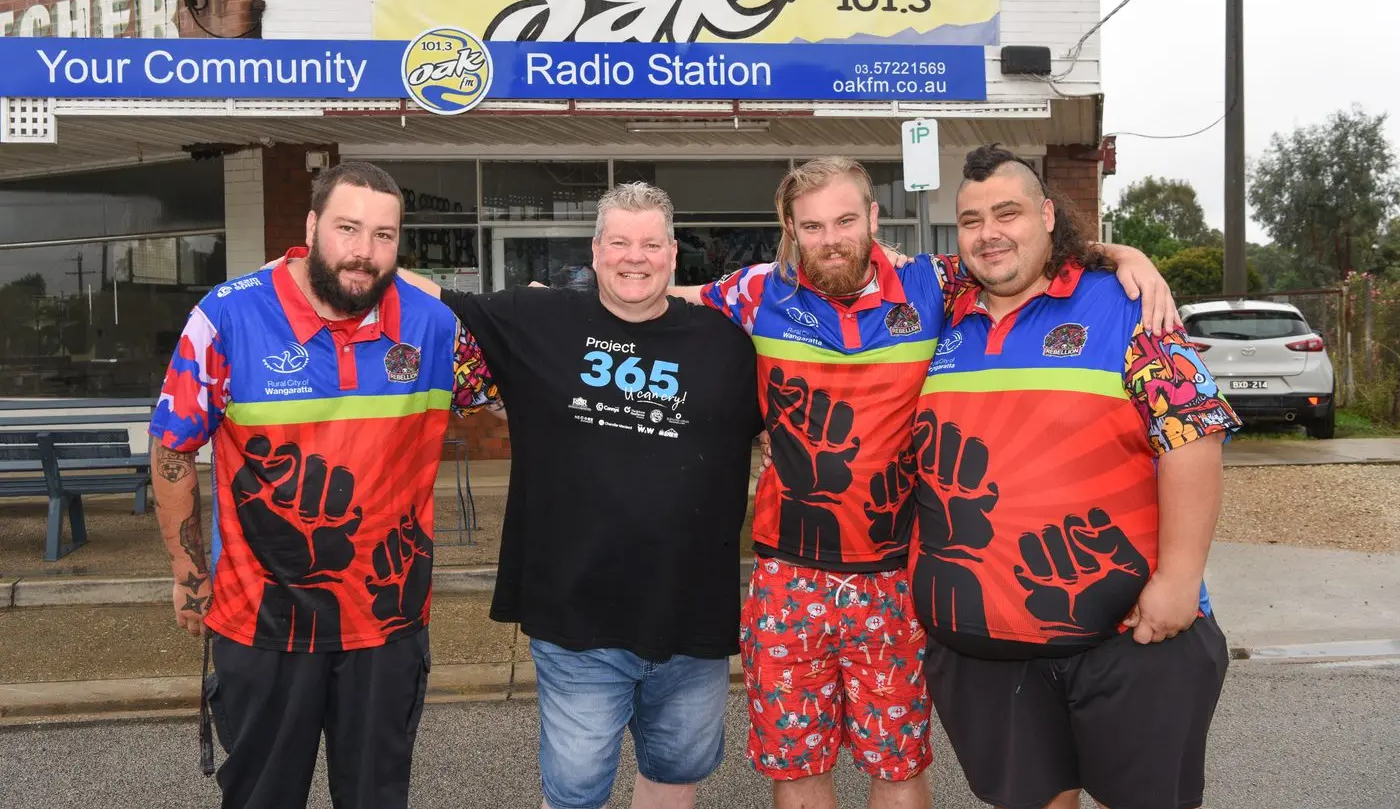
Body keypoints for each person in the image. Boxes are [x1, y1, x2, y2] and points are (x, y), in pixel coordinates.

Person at [685, 156, 1178, 809]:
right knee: (796, 765)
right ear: (789, 228)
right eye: (811, 226)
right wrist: (565, 301)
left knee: (897, 762)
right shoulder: (755, 291)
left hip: (894, 574)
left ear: (873, 218)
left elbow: (1025, 254)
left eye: (844, 220)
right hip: (788, 574)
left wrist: (1127, 254)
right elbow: (656, 292)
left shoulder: (934, 283)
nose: (829, 238)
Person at [399, 181, 763, 809]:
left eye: (650, 243)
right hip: (576, 618)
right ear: (595, 251)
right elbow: (432, 295)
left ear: (673, 254)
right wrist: (316, 258)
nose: (634, 256)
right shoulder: (536, 319)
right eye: (619, 241)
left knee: (676, 774)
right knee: (575, 793)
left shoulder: (729, 344)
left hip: (692, 616)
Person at [149, 161, 488, 809]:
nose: (364, 252)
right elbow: (172, 443)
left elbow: (527, 381)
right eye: (348, 228)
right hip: (263, 625)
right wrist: (189, 576)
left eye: (384, 235)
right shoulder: (227, 317)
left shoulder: (432, 324)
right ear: (311, 226)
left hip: (387, 627)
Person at [908, 144, 1239, 809]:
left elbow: (1192, 432)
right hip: (986, 649)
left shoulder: (1123, 304)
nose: (989, 232)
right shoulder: (936, 308)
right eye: (970, 219)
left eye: (1009, 213)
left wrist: (1178, 578)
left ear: (1049, 215)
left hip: (1133, 640)